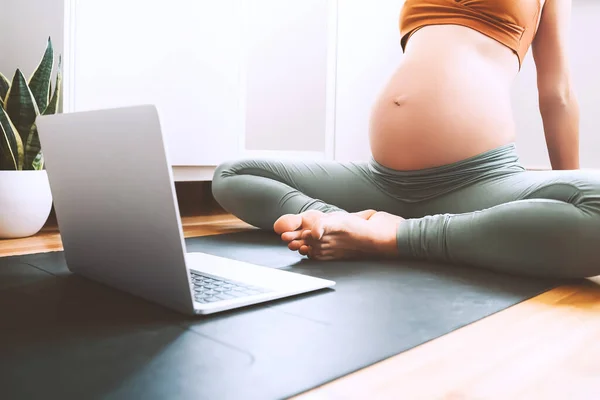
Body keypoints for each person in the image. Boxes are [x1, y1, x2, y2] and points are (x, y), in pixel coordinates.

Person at [212, 0, 600, 279]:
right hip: (382, 183)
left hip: (477, 181)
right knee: (234, 173)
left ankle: (396, 236)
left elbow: (558, 94)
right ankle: (342, 223)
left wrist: (562, 191)